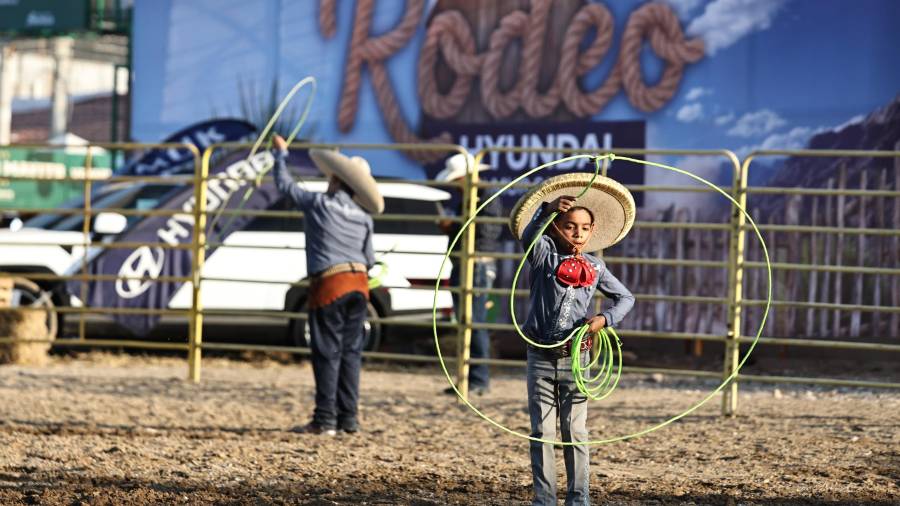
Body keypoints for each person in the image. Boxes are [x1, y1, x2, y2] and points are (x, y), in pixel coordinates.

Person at [509, 171, 636, 505]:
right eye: (569, 226)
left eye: (583, 228)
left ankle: (578, 498)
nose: (577, 233)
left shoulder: (595, 268)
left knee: (575, 431)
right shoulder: (542, 258)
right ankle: (544, 499)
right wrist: (547, 209)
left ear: (592, 231)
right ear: (556, 227)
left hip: (575, 358)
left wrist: (602, 320)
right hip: (539, 354)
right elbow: (528, 239)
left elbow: (626, 298)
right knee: (541, 432)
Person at [271, 134, 384, 436]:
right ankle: (349, 419)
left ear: (335, 180)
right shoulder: (364, 218)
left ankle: (325, 419)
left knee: (326, 351)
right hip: (359, 286)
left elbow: (285, 185)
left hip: (330, 284)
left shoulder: (320, 204)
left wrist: (280, 155)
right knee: (351, 353)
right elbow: (369, 259)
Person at [436, 153, 502, 395]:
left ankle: (477, 380)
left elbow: (485, 231)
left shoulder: (485, 197)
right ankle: (468, 379)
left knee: (474, 323)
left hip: (477, 264)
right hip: (469, 263)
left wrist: (452, 225)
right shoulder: (476, 196)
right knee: (468, 322)